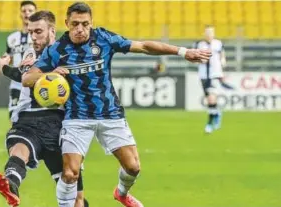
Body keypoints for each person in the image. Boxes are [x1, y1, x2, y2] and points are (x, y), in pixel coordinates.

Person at [22, 2, 211, 207]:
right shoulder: (57, 50)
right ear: (67, 23)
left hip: (110, 114)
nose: (80, 29)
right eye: (75, 24)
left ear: (91, 23)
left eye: (85, 24)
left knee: (133, 167)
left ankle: (121, 193)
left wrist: (183, 52)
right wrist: (51, 73)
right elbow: (28, 78)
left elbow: (144, 46)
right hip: (77, 117)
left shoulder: (103, 38)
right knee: (69, 173)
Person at [0, 11, 88, 207]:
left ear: (52, 31)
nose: (33, 37)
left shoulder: (67, 54)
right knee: (19, 148)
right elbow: (23, 77)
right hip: (28, 119)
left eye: (38, 31)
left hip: (60, 125)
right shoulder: (30, 53)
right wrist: (4, 68)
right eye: (30, 32)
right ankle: (12, 182)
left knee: (75, 197)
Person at [0, 1, 37, 118]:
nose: (27, 13)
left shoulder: (39, 35)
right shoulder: (12, 38)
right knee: (14, 118)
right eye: (24, 11)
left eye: (30, 11)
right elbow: (6, 60)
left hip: (33, 82)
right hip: (16, 84)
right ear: (20, 14)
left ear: (35, 13)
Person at [193, 25, 227, 133]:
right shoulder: (199, 44)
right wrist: (199, 60)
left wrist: (223, 61)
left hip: (215, 74)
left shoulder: (218, 43)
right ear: (204, 34)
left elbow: (222, 54)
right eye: (207, 32)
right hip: (203, 75)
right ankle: (216, 114)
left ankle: (209, 124)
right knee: (209, 100)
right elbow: (193, 58)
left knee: (212, 98)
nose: (209, 34)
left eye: (211, 32)